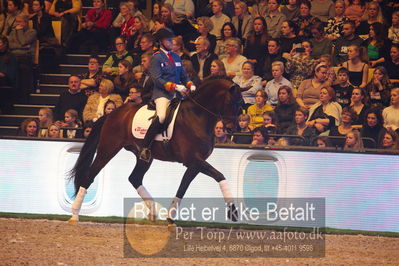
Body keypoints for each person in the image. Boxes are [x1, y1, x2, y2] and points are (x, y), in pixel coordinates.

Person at [139, 28, 194, 161]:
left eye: (171, 40)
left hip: (178, 95)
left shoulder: (176, 57)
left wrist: (190, 84)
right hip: (162, 94)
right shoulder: (156, 58)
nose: (171, 42)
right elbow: (157, 79)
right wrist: (175, 86)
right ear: (161, 42)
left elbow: (183, 75)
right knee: (162, 116)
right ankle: (145, 148)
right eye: (168, 40)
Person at [8, 13, 37, 103]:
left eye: (19, 22)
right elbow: (10, 45)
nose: (17, 24)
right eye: (17, 21)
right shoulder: (13, 31)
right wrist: (21, 46)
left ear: (25, 22)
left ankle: (23, 97)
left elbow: (23, 41)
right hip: (14, 57)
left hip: (26, 57)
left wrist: (20, 31)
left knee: (22, 68)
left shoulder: (32, 32)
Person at [0, 35, 17, 114]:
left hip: (6, 79)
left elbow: (11, 72)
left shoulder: (11, 56)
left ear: (5, 44)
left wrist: (2, 74)